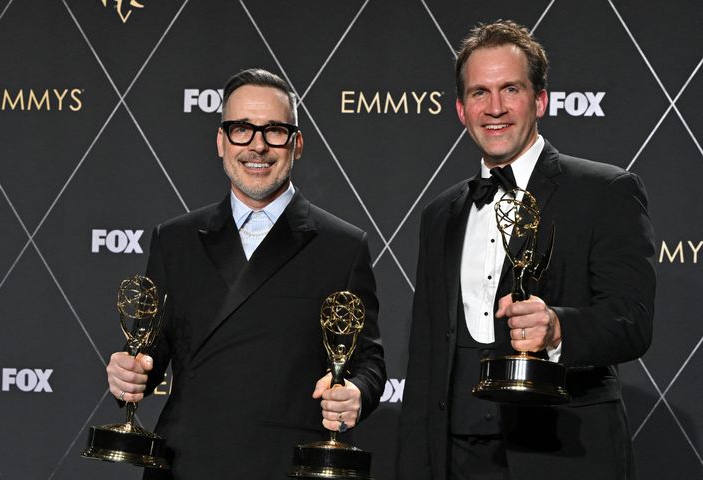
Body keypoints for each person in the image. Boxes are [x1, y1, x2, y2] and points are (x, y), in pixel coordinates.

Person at [397, 20, 655, 480]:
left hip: (561, 453)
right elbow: (425, 360)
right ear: (460, 109)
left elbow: (631, 322)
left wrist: (558, 328)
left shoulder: (605, 191)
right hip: (455, 456)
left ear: (540, 100)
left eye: (510, 89)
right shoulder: (440, 214)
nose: (494, 108)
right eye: (479, 93)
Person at [105, 68, 386, 479]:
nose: (257, 146)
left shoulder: (342, 246)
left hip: (285, 464)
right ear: (221, 142)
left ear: (297, 143)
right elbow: (153, 352)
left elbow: (369, 362)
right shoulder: (174, 239)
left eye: (274, 130)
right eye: (241, 129)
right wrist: (129, 373)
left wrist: (356, 392)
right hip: (186, 462)